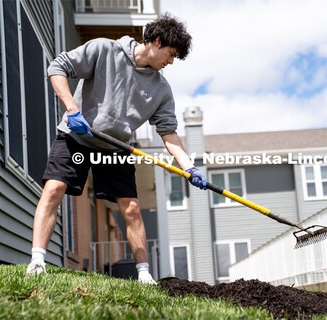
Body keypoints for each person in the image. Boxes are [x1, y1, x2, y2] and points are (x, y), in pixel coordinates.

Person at [26, 14, 207, 284]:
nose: (171, 62)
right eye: (171, 54)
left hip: (114, 146)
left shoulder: (162, 90)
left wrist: (188, 166)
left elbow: (168, 133)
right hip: (77, 136)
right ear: (156, 41)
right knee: (54, 188)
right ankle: (37, 260)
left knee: (132, 208)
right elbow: (57, 67)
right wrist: (72, 110)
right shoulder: (103, 49)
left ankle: (144, 275)